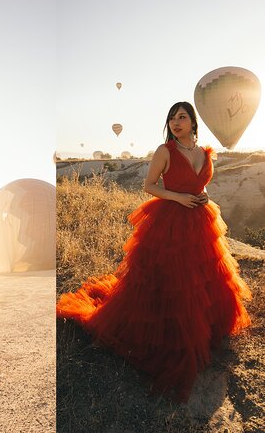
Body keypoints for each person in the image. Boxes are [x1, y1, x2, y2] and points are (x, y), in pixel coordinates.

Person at [56, 102, 251, 402]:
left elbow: (202, 183)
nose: (176, 122)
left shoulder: (204, 152)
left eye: (182, 117)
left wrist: (202, 196)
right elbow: (149, 186)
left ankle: (207, 328)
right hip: (171, 220)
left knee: (204, 275)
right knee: (173, 279)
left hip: (200, 219)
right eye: (172, 118)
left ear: (193, 121)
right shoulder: (165, 151)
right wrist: (179, 198)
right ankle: (173, 334)